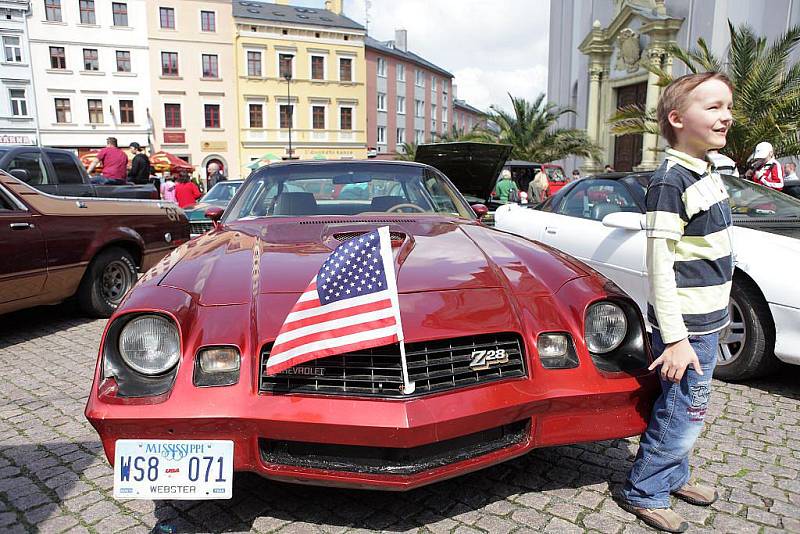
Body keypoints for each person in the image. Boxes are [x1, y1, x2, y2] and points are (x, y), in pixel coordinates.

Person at [618, 72, 734, 533]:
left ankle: (674, 474)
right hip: (687, 327)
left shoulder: (706, 170)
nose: (726, 115)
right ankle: (645, 488)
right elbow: (660, 267)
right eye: (713, 107)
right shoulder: (670, 181)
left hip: (708, 320)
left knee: (689, 402)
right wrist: (678, 337)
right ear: (677, 118)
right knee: (686, 407)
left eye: (728, 106)